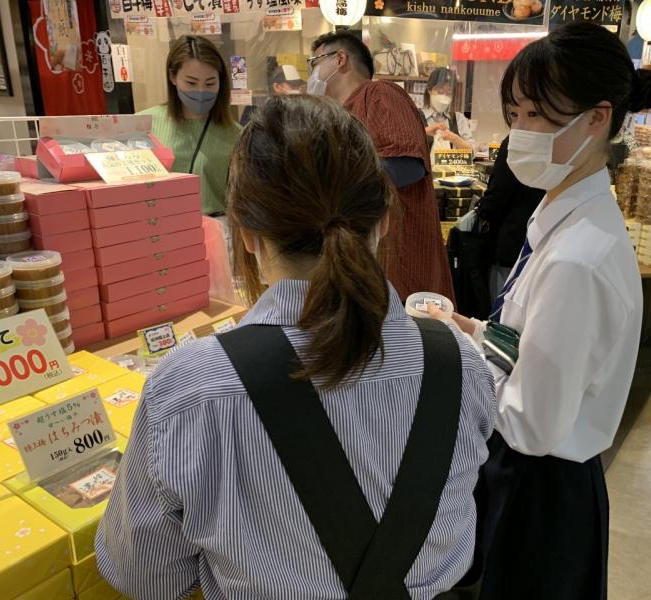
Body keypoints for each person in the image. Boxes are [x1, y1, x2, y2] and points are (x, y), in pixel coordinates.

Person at [95, 96, 496, 599]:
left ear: (246, 234)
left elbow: (146, 577)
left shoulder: (188, 388)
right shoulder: (459, 361)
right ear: (384, 220)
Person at [428, 22, 651, 598]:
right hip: (538, 479)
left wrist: (460, 354)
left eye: (537, 115)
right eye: (514, 114)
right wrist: (474, 329)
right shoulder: (563, 217)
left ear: (596, 119)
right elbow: (530, 346)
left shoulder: (577, 259)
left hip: (538, 490)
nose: (519, 133)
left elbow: (531, 423)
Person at [308, 30, 455, 303]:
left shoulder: (379, 93)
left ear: (340, 59)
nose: (312, 74)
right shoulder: (338, 114)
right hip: (361, 259)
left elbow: (407, 166)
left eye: (314, 63)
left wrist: (329, 180)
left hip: (398, 257)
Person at [140, 36, 240, 218]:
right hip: (159, 225)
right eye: (191, 83)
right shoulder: (143, 125)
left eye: (210, 83)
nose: (201, 91)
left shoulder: (237, 134)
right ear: (173, 77)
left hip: (217, 226)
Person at [476, 136, 544, 307]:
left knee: (503, 309)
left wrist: (482, 211)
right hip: (542, 242)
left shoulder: (518, 140)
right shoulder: (561, 141)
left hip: (510, 242)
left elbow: (497, 195)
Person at [421, 67, 475, 151]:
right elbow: (405, 143)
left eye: (448, 93)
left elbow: (472, 151)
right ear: (429, 90)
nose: (443, 97)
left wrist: (455, 139)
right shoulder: (416, 116)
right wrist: (425, 131)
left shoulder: (458, 118)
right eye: (440, 92)